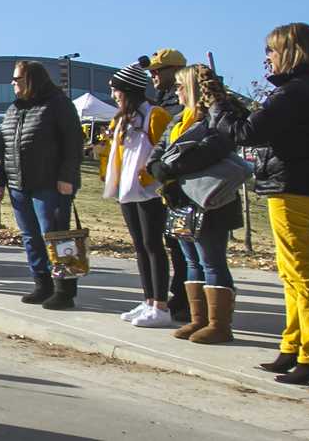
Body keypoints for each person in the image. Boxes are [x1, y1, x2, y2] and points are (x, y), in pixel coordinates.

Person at [210, 22, 309, 385]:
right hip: (295, 183)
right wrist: (227, 101)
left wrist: (218, 104)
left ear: (290, 52)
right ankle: (294, 344)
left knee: (300, 272)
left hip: (292, 185)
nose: (267, 58)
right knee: (291, 272)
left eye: (272, 50)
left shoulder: (294, 91)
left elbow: (247, 132)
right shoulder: (305, 88)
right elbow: (255, 122)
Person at [146, 64, 242, 344]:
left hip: (210, 201)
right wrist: (158, 168)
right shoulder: (178, 121)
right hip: (179, 201)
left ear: (193, 89)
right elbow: (158, 152)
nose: (176, 91)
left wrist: (171, 168)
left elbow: (209, 152)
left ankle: (219, 324)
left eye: (180, 86)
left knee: (211, 260)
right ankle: (198, 318)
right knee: (190, 260)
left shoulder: (216, 120)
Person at [0, 61, 82, 309]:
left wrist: (67, 177)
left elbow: (73, 143)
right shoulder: (13, 110)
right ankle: (42, 284)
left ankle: (65, 289)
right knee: (31, 237)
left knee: (56, 235)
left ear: (32, 80)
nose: (13, 84)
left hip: (50, 184)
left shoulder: (57, 104)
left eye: (17, 79)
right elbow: (4, 148)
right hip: (19, 184)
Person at [103, 59, 173, 327]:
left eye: (116, 90)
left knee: (153, 245)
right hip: (128, 190)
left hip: (150, 191)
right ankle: (148, 301)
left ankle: (161, 306)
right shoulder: (122, 119)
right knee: (140, 246)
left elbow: (165, 150)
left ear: (129, 91)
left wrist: (151, 174)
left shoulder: (155, 115)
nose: (113, 96)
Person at [147, 48, 191, 321]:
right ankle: (181, 295)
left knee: (186, 247)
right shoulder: (160, 101)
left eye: (158, 70)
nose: (153, 75)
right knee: (173, 243)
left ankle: (188, 300)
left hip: (185, 185)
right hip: (166, 184)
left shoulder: (184, 103)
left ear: (175, 71)